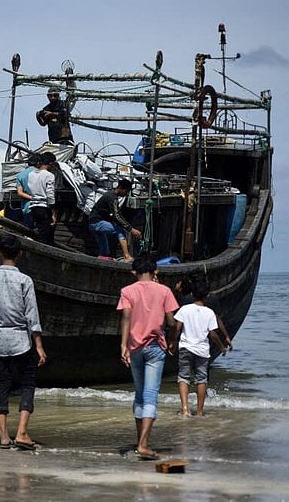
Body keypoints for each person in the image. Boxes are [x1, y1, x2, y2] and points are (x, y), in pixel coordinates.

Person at [0, 234, 47, 450]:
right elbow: (32, 315)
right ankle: (22, 432)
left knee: (3, 383)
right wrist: (39, 345)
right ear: (19, 254)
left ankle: (3, 436)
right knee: (27, 383)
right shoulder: (25, 280)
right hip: (21, 339)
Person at [117, 256, 179, 460]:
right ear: (155, 271)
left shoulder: (127, 291)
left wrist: (123, 345)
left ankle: (140, 441)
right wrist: (172, 340)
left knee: (140, 394)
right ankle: (143, 444)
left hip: (134, 347)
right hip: (155, 347)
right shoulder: (164, 291)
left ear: (134, 272)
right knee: (151, 395)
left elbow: (125, 317)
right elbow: (172, 321)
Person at [169, 281, 229, 417]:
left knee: (183, 377)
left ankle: (185, 409)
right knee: (201, 379)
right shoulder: (209, 313)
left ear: (191, 294)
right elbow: (213, 334)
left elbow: (177, 328)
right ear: (207, 296)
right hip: (202, 350)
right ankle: (200, 412)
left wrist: (172, 341)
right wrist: (221, 347)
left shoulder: (184, 309)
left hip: (185, 347)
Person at [88, 179, 142, 261]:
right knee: (121, 232)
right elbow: (117, 215)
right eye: (126, 191)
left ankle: (103, 258)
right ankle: (127, 256)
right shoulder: (112, 197)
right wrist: (131, 229)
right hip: (97, 222)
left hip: (93, 223)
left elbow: (115, 217)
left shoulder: (110, 195)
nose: (126, 194)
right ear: (120, 188)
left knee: (104, 248)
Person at [27, 152, 57, 245]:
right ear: (51, 163)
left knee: (38, 232)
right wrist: (53, 213)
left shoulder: (31, 174)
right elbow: (50, 195)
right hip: (44, 207)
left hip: (33, 207)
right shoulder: (49, 175)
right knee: (46, 236)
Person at [14, 153, 40, 230]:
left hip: (27, 207)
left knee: (29, 231)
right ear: (38, 163)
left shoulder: (21, 175)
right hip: (41, 207)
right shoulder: (42, 174)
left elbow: (20, 193)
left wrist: (32, 198)